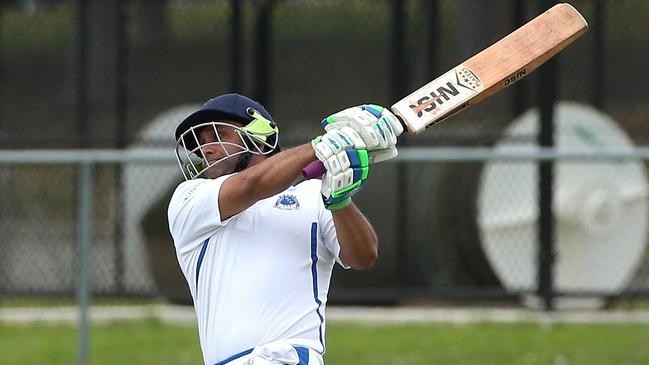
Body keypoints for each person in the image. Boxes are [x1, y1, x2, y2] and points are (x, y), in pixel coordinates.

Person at [167, 93, 402, 365]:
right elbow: (250, 186)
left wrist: (340, 201)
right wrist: (322, 146)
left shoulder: (315, 195)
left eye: (219, 134)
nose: (206, 148)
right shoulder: (190, 198)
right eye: (201, 143)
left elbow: (363, 256)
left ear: (259, 135)